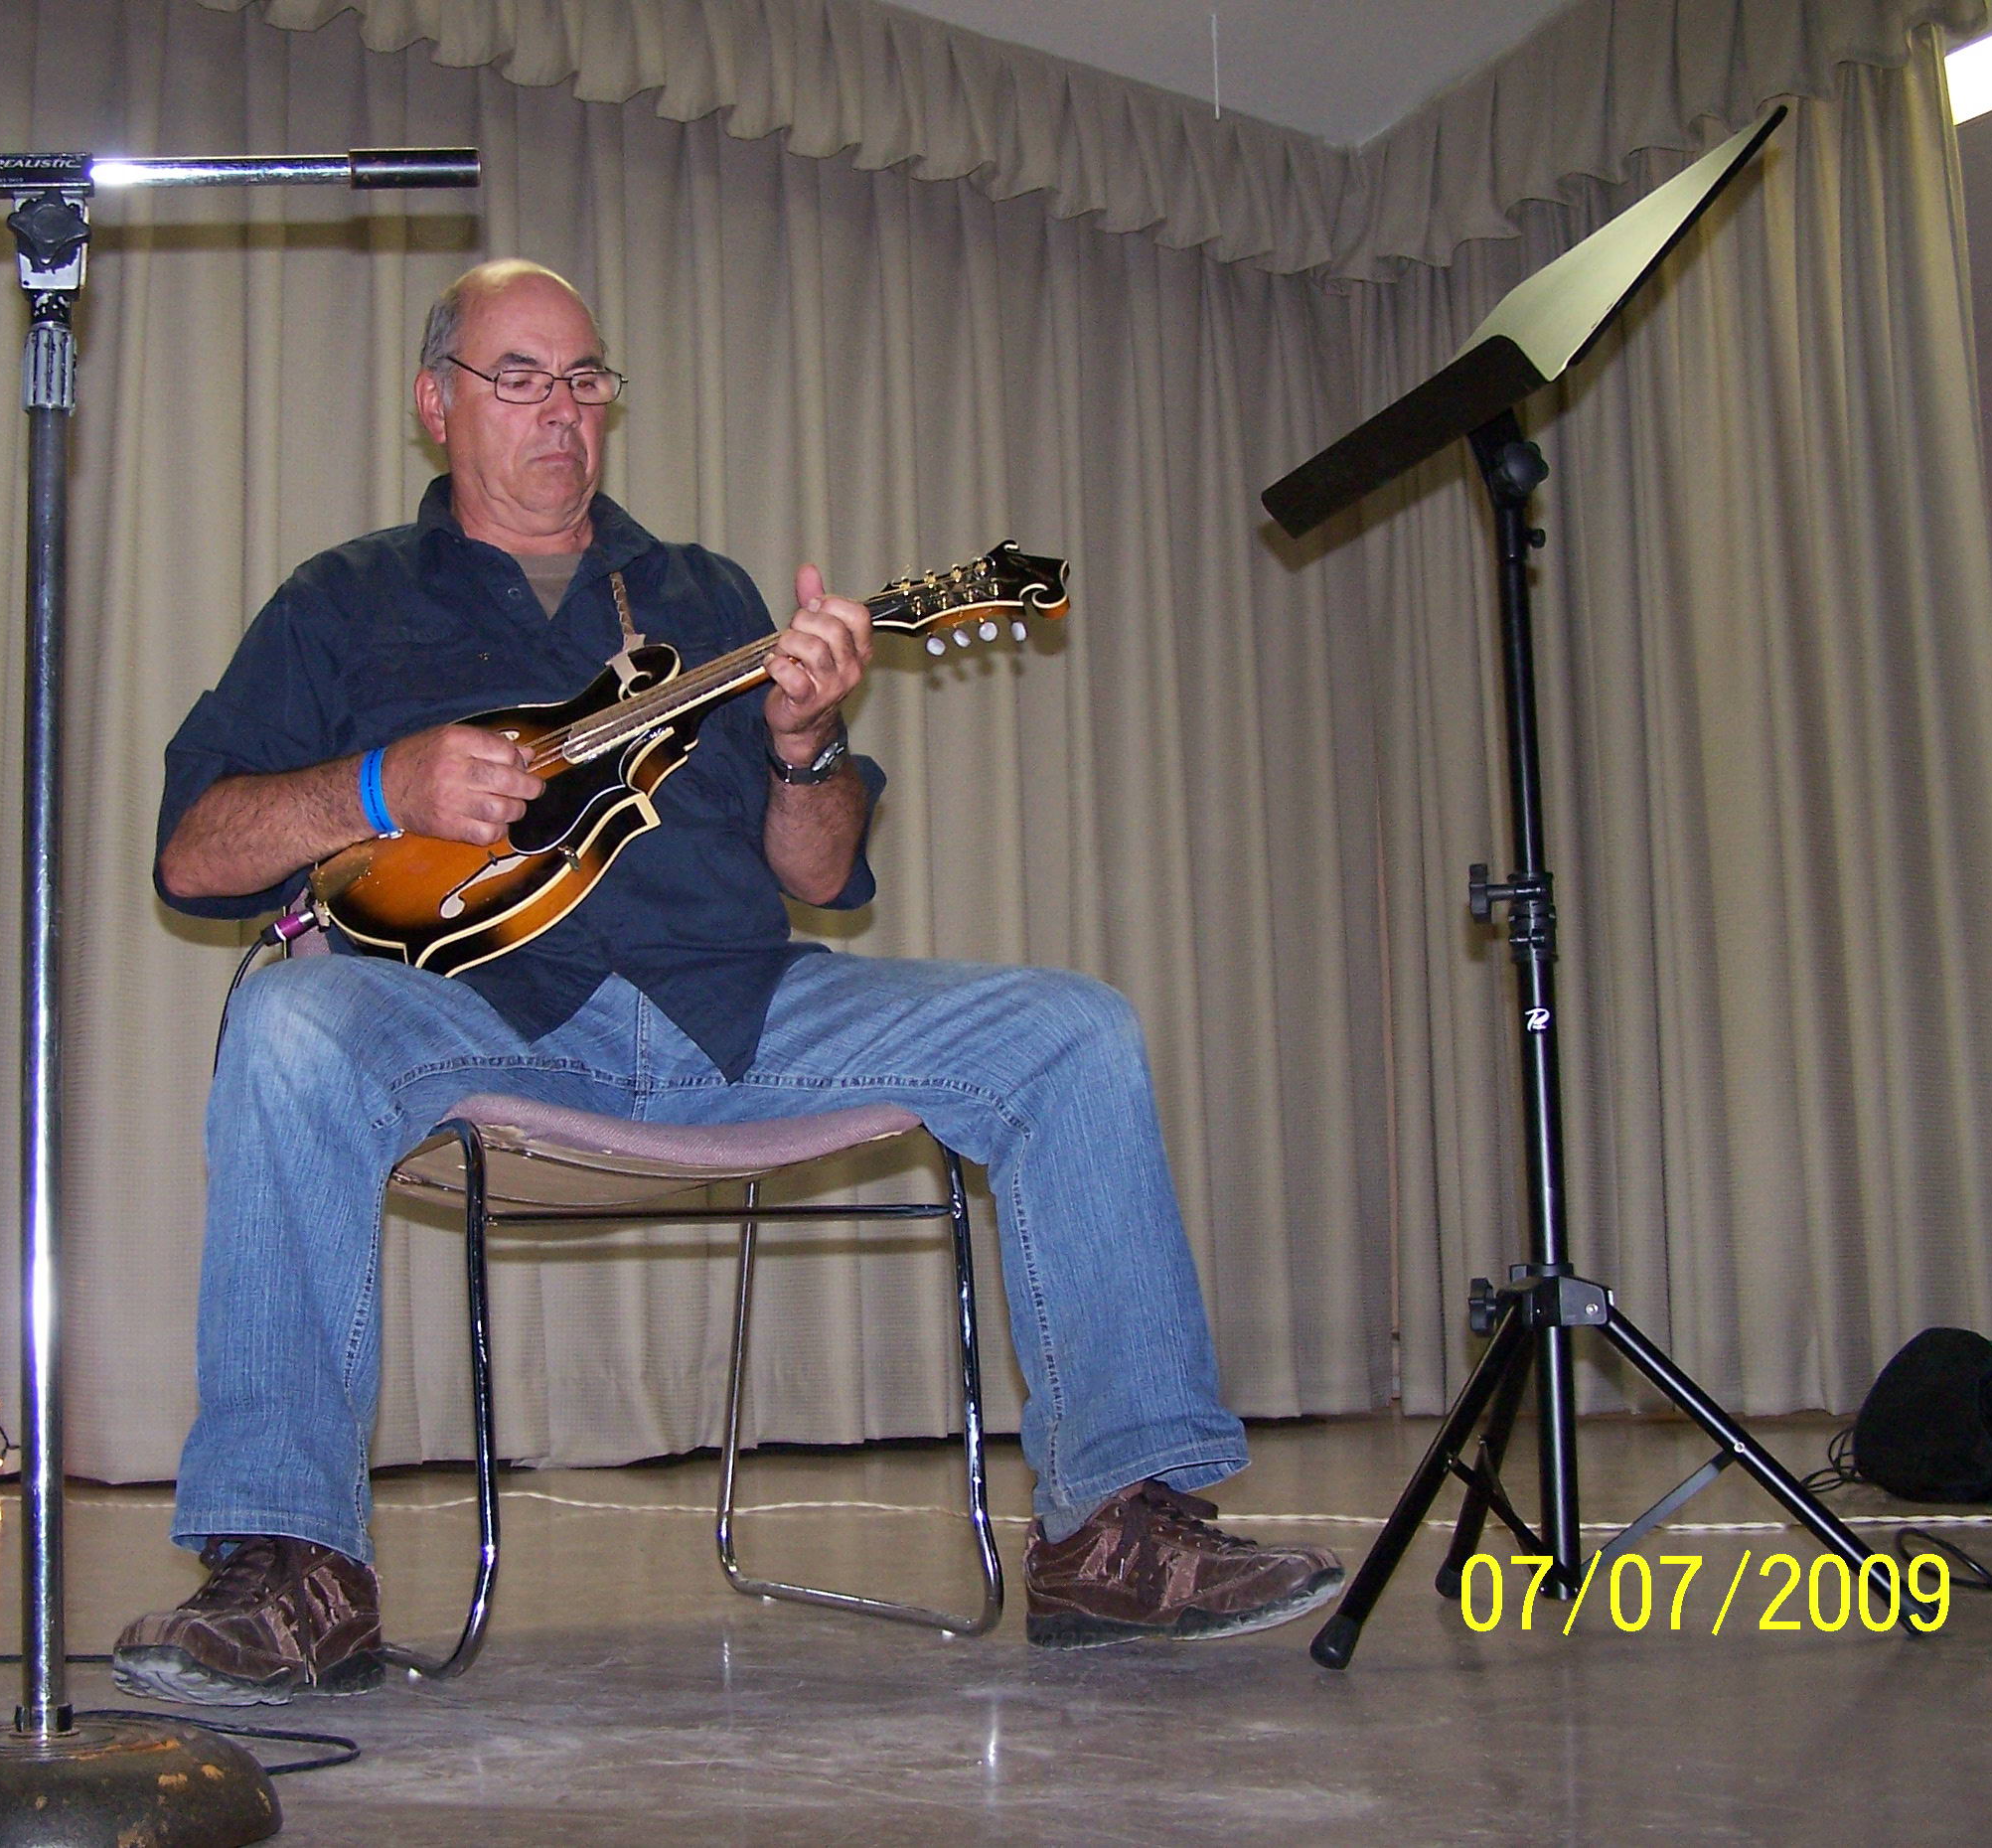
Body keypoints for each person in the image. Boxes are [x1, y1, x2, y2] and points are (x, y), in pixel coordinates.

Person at [112, 259, 1342, 1706]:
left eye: (586, 378)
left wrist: (808, 745)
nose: (561, 410)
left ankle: (1118, 1532)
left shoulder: (704, 596)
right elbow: (193, 851)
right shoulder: (342, 600)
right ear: (436, 402)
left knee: (1072, 1029)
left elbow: (819, 871)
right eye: (521, 377)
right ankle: (291, 1570)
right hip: (474, 1021)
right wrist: (381, 785)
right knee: (284, 1021)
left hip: (739, 1013)